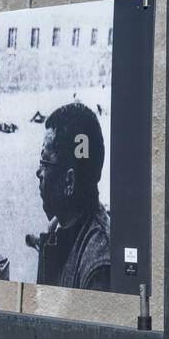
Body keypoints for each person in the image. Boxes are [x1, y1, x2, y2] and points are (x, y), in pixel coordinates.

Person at [30, 102, 111, 291]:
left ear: (69, 181)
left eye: (45, 162)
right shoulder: (59, 227)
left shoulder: (98, 268)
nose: (38, 172)